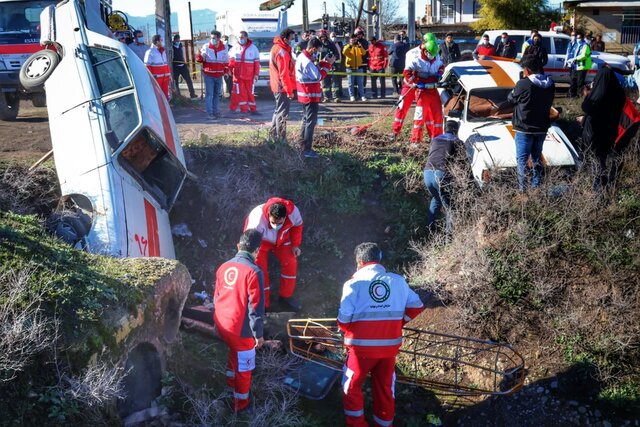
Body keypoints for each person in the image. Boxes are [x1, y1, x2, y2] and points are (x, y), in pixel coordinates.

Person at [338, 242, 424, 427]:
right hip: (389, 350)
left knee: (351, 387)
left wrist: (349, 330)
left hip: (361, 352)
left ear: (359, 262)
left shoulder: (353, 285)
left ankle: (357, 424)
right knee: (385, 389)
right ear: (379, 260)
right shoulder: (398, 281)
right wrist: (397, 323)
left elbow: (343, 320)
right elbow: (417, 306)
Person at [213, 229, 265, 413]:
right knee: (245, 367)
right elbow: (256, 308)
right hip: (240, 329)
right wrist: (258, 334)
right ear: (257, 250)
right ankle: (240, 405)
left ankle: (229, 384)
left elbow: (216, 297)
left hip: (222, 323)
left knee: (234, 352)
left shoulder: (223, 266)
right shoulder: (254, 271)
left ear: (238, 246)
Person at [244, 198, 304, 310]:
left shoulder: (293, 213)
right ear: (268, 214)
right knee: (259, 271)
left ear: (285, 217)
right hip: (260, 242)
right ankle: (263, 303)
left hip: (282, 240)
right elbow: (250, 240)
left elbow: (297, 227)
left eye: (279, 223)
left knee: (291, 262)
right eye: (273, 223)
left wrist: (295, 245)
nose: (276, 225)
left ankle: (285, 297)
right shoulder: (257, 220)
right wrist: (251, 255)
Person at [507, 55, 555, 191]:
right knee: (537, 158)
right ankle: (537, 187)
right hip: (541, 127)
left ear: (527, 70)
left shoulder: (523, 83)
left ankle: (523, 190)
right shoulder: (551, 84)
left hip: (524, 128)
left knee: (522, 161)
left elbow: (511, 98)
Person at [581, 67, 627, 190]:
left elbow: (587, 108)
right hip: (611, 131)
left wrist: (587, 96)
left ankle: (598, 192)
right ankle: (605, 185)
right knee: (603, 160)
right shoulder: (619, 93)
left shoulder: (598, 95)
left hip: (595, 133)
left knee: (597, 162)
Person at [296, 38, 334, 158]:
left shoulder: (304, 57)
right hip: (309, 95)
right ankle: (307, 150)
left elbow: (314, 67)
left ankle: (301, 145)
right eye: (317, 50)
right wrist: (328, 65)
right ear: (313, 48)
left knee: (306, 120)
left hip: (306, 95)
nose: (317, 52)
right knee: (310, 123)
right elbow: (318, 76)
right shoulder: (306, 60)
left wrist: (323, 62)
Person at [404, 38, 445, 144]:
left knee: (438, 117)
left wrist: (440, 74)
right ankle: (415, 141)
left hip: (434, 91)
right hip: (422, 92)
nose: (433, 56)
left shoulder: (435, 56)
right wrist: (416, 83)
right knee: (420, 117)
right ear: (425, 51)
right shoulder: (417, 59)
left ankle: (437, 140)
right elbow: (407, 73)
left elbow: (441, 66)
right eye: (431, 54)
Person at [423, 120, 459, 234]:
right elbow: (463, 163)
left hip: (427, 174)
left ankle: (430, 231)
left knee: (436, 199)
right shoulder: (457, 141)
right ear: (456, 130)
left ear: (445, 129)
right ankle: (450, 237)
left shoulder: (435, 140)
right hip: (441, 174)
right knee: (450, 207)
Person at [268, 28, 296, 141]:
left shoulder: (277, 48)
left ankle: (273, 136)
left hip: (278, 85)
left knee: (278, 111)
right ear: (285, 39)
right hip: (282, 86)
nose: (293, 41)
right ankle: (281, 140)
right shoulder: (282, 52)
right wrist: (289, 91)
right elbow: (284, 74)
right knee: (282, 113)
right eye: (292, 39)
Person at [196, 30, 229, 119]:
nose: (212, 40)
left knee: (217, 94)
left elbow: (226, 61)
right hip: (209, 75)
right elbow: (200, 59)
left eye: (214, 38)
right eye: (211, 38)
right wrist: (198, 56)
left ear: (218, 39)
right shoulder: (206, 47)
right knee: (209, 94)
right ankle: (209, 113)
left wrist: (226, 72)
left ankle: (216, 111)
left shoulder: (224, 48)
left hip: (219, 75)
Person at [229, 31, 260, 114]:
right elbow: (231, 61)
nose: (240, 39)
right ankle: (244, 110)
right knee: (240, 93)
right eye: (239, 37)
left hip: (249, 76)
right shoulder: (234, 48)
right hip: (238, 76)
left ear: (246, 37)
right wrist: (229, 69)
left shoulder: (253, 48)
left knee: (250, 93)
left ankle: (253, 109)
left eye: (242, 37)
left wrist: (256, 74)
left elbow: (256, 63)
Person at [144, 35, 171, 99]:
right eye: (161, 40)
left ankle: (166, 108)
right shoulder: (150, 52)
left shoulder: (163, 51)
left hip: (165, 77)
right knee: (157, 97)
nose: (162, 42)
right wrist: (151, 78)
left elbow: (165, 64)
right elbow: (147, 67)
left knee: (165, 96)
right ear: (157, 42)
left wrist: (169, 74)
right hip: (156, 79)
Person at [318, 29, 341, 102]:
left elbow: (337, 55)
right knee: (324, 83)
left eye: (324, 36)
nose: (323, 38)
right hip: (322, 67)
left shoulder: (331, 44)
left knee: (334, 82)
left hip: (332, 66)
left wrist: (331, 59)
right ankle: (326, 97)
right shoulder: (318, 45)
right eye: (321, 37)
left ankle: (336, 97)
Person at [172, 34, 197, 99]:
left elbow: (183, 54)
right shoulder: (171, 47)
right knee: (176, 81)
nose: (178, 41)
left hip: (183, 65)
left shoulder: (180, 45)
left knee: (188, 80)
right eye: (176, 40)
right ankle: (177, 95)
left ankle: (192, 94)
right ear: (174, 40)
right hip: (175, 66)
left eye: (178, 40)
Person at [567, 31, 592, 96]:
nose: (578, 39)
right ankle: (573, 94)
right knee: (573, 80)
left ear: (583, 38)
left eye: (579, 38)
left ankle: (579, 95)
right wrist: (570, 60)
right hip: (576, 66)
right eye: (577, 38)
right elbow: (573, 53)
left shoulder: (585, 45)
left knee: (580, 82)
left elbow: (583, 55)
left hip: (582, 66)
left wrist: (574, 59)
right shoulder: (577, 45)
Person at [343, 35, 367, 101]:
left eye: (355, 40)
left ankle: (362, 96)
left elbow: (364, 53)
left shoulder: (358, 47)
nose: (354, 41)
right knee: (351, 83)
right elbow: (344, 52)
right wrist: (350, 45)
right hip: (350, 68)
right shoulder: (347, 47)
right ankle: (352, 96)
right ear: (350, 41)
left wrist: (360, 46)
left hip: (359, 68)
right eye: (352, 40)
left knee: (360, 83)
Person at [564, 30, 581, 97]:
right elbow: (567, 53)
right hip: (569, 64)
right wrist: (565, 63)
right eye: (571, 35)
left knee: (573, 79)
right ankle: (572, 92)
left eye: (574, 35)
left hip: (575, 64)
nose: (572, 36)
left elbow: (578, 54)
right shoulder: (569, 43)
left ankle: (572, 93)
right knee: (572, 78)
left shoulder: (578, 44)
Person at [330, 31, 345, 98]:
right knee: (334, 80)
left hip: (340, 64)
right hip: (333, 65)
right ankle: (334, 95)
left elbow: (342, 53)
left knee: (339, 80)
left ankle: (340, 93)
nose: (334, 37)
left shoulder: (339, 44)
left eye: (335, 36)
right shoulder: (329, 44)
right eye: (332, 36)